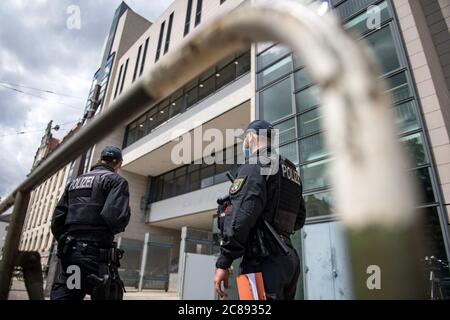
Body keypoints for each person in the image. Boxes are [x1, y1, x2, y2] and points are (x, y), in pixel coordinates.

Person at [215, 120, 306, 300]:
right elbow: (299, 218)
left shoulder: (256, 164)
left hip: (261, 263)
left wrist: (223, 263)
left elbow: (240, 218)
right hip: (288, 261)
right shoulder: (291, 170)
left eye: (245, 140)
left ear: (251, 137)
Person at [50, 146, 131, 300]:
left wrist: (68, 241)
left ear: (100, 160)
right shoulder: (117, 181)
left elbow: (57, 221)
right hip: (96, 258)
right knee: (110, 293)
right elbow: (115, 218)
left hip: (71, 255)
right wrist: (126, 213)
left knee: (69, 294)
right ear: (119, 164)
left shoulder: (74, 182)